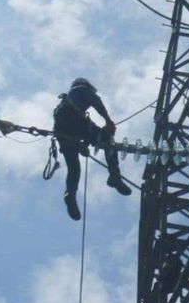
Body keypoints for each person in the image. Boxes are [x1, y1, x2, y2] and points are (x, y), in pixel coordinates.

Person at [52, 77, 131, 220]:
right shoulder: (82, 89)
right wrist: (108, 120)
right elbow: (97, 102)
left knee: (74, 167)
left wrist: (81, 144)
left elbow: (74, 123)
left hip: (62, 131)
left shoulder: (66, 101)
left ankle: (70, 194)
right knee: (107, 139)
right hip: (74, 123)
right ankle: (115, 176)